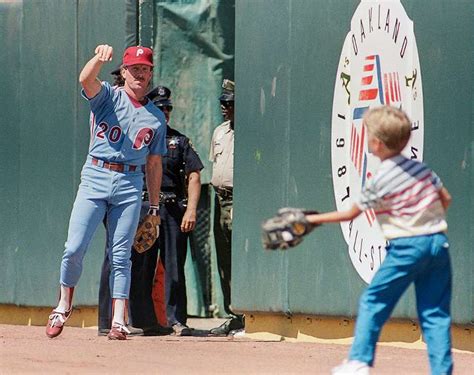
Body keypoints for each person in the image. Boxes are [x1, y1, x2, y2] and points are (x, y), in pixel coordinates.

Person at [303, 106, 453, 375]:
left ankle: (359, 362)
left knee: (373, 301)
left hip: (407, 247)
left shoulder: (381, 178)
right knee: (435, 315)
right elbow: (446, 199)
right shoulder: (421, 169)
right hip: (438, 245)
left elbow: (351, 213)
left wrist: (311, 220)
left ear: (376, 143)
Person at [45, 44, 167, 341]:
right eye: (134, 68)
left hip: (129, 184)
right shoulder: (108, 97)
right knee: (74, 247)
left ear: (151, 74)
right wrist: (98, 60)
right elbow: (85, 80)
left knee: (121, 255)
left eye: (145, 69)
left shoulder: (156, 118)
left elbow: (153, 163)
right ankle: (63, 305)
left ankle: (118, 321)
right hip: (96, 176)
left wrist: (153, 206)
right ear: (124, 72)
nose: (140, 73)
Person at [99, 85, 204, 336]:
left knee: (174, 267)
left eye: (168, 108)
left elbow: (194, 175)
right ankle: (143, 321)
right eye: (159, 108)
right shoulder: (137, 138)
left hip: (171, 208)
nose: (164, 112)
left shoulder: (178, 141)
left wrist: (190, 210)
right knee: (140, 266)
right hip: (142, 206)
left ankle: (176, 319)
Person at [208, 79, 245, 336]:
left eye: (229, 103)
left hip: (238, 199)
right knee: (223, 259)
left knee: (238, 257)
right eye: (222, 103)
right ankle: (233, 314)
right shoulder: (220, 132)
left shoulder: (248, 132)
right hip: (218, 199)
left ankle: (245, 315)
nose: (224, 108)